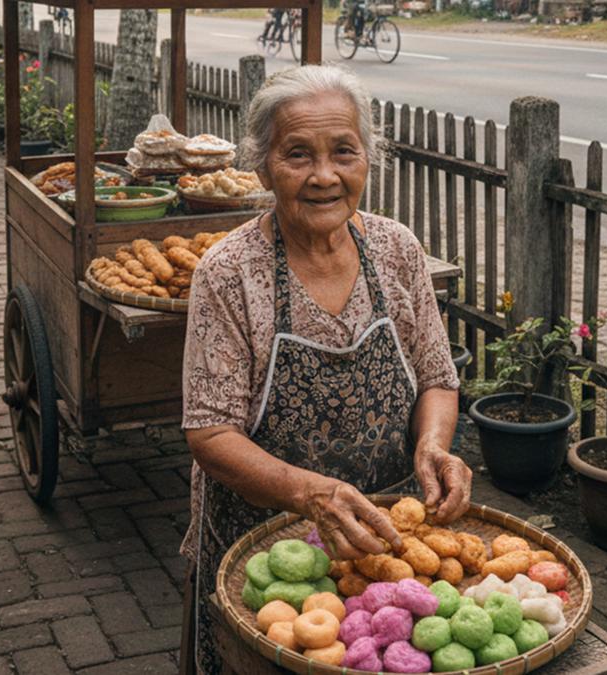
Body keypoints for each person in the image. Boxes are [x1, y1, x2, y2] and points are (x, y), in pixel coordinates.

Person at [178, 65, 472, 674]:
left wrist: (435, 445)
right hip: (265, 552)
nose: (323, 176)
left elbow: (438, 375)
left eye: (344, 151)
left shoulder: (397, 249)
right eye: (297, 155)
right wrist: (309, 492)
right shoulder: (230, 273)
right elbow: (209, 433)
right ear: (262, 167)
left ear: (368, 158)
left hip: (384, 540)